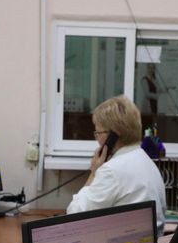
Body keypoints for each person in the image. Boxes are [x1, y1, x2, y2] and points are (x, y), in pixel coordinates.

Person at [67, 95, 166, 230]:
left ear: (113, 135)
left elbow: (74, 217)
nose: (97, 139)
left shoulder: (112, 171)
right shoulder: (147, 162)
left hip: (126, 242)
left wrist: (94, 173)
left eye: (98, 133)